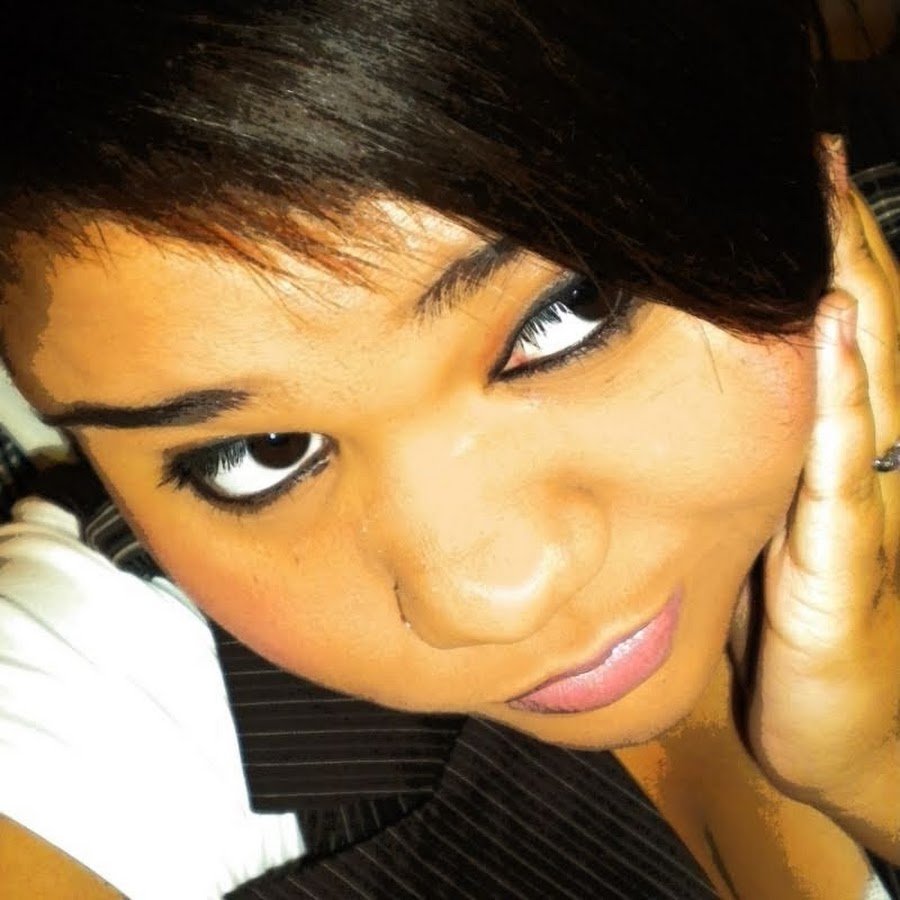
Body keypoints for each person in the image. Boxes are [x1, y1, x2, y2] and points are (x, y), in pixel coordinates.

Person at [0, 1, 898, 897]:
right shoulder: (121, 672)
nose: (491, 599)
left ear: (805, 184)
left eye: (566, 312)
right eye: (263, 452)